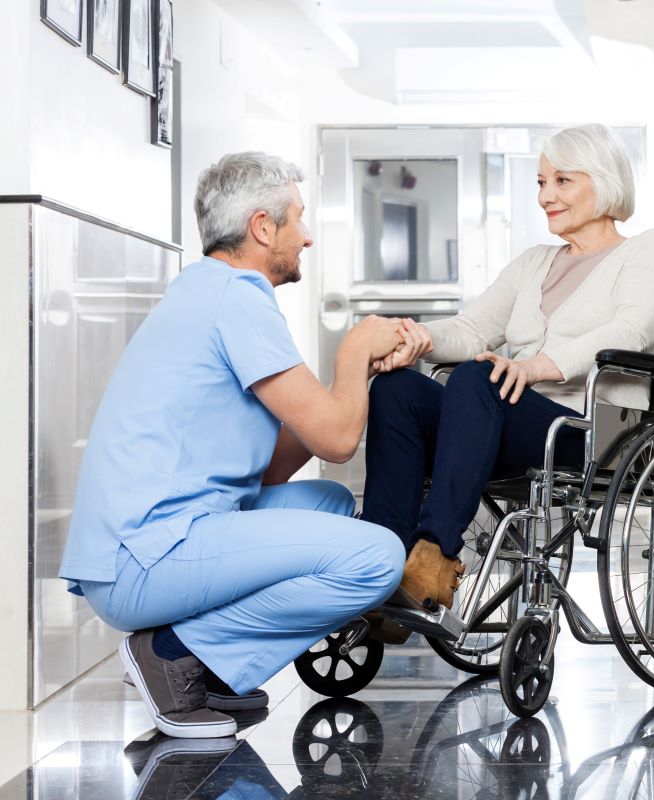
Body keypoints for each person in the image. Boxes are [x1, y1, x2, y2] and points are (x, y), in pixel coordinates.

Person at [59, 152, 422, 739]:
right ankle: (174, 656)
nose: (306, 237)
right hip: (144, 560)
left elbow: (277, 465)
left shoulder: (208, 293)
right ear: (262, 226)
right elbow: (336, 438)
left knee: (326, 502)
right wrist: (353, 354)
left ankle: (204, 665)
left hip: (150, 542)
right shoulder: (238, 298)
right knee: (375, 557)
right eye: (298, 220)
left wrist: (359, 379)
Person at [361, 124, 654, 626]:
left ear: (603, 181)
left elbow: (633, 327)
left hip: (586, 430)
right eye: (540, 183)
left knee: (476, 377)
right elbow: (471, 328)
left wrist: (535, 367)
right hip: (504, 420)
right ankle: (379, 565)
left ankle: (431, 560)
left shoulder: (648, 249)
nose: (545, 196)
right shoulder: (535, 261)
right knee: (397, 388)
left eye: (562, 181)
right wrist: (414, 340)